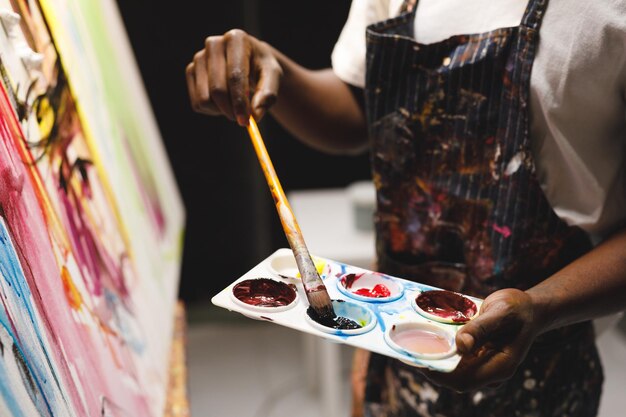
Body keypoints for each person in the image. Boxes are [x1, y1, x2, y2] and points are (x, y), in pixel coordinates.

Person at [186, 0, 626, 415]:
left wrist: (542, 306)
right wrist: (273, 67)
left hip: (542, 361)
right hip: (395, 336)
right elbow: (362, 107)